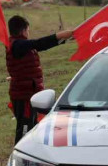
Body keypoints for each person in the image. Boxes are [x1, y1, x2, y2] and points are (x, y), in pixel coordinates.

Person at [6, 16, 74, 144]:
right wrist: (59, 35)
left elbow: (39, 46)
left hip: (28, 93)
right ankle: (20, 157)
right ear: (23, 31)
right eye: (28, 30)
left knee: (32, 127)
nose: (28, 33)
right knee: (24, 132)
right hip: (24, 96)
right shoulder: (18, 44)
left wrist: (66, 38)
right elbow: (39, 43)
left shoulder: (20, 45)